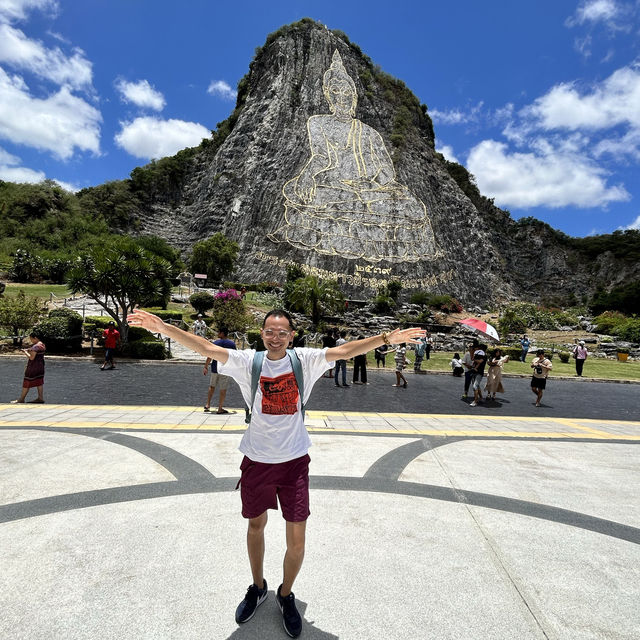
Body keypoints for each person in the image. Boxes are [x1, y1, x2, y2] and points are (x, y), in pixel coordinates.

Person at [127, 307, 424, 638]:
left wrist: (385, 338)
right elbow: (206, 348)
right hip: (256, 460)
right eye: (270, 331)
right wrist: (165, 327)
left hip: (295, 461)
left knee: (297, 538)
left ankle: (285, 594)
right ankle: (257, 587)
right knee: (256, 526)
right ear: (262, 333)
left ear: (291, 336)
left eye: (283, 332)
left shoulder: (305, 361)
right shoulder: (248, 362)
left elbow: (345, 351)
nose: (276, 337)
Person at [203, 327, 236, 414]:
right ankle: (220, 408)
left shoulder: (215, 343)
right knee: (223, 389)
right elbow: (234, 357)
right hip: (226, 368)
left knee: (212, 386)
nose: (217, 333)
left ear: (222, 333)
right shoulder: (231, 344)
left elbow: (209, 356)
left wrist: (206, 366)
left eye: (219, 332)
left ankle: (208, 404)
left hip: (215, 367)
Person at [11, 332, 46, 403]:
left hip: (33, 367)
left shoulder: (36, 346)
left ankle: (21, 399)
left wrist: (25, 352)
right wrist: (30, 350)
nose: (31, 341)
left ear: (35, 338)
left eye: (31, 339)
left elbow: (31, 358)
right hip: (40, 366)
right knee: (39, 382)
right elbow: (36, 353)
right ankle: (40, 398)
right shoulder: (42, 344)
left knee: (27, 381)